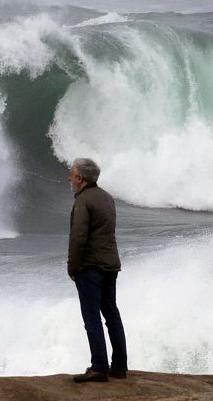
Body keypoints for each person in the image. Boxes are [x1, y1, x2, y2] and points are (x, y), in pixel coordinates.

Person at [67, 158, 128, 383]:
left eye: (72, 174)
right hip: (110, 265)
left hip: (90, 267)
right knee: (111, 314)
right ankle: (119, 366)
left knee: (91, 317)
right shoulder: (107, 198)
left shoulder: (83, 200)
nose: (70, 178)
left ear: (80, 178)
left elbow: (79, 237)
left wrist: (73, 267)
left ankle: (99, 367)